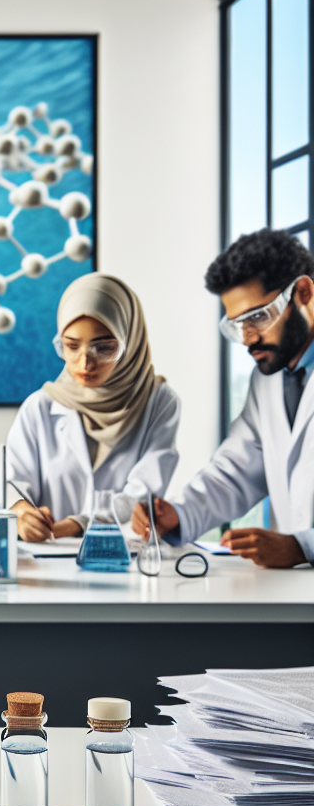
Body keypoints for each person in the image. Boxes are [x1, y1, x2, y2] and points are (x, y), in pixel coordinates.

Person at [132, 229, 314, 567]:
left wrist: (303, 546)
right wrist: (179, 513)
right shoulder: (269, 380)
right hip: (296, 594)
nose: (248, 339)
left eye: (259, 317)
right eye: (237, 325)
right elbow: (236, 472)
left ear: (303, 293)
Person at [8, 273, 180, 541]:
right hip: (46, 565)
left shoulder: (160, 403)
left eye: (104, 348)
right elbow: (12, 484)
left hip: (126, 563)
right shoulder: (39, 407)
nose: (85, 363)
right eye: (71, 346)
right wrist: (21, 512)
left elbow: (142, 497)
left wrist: (79, 524)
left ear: (130, 342)